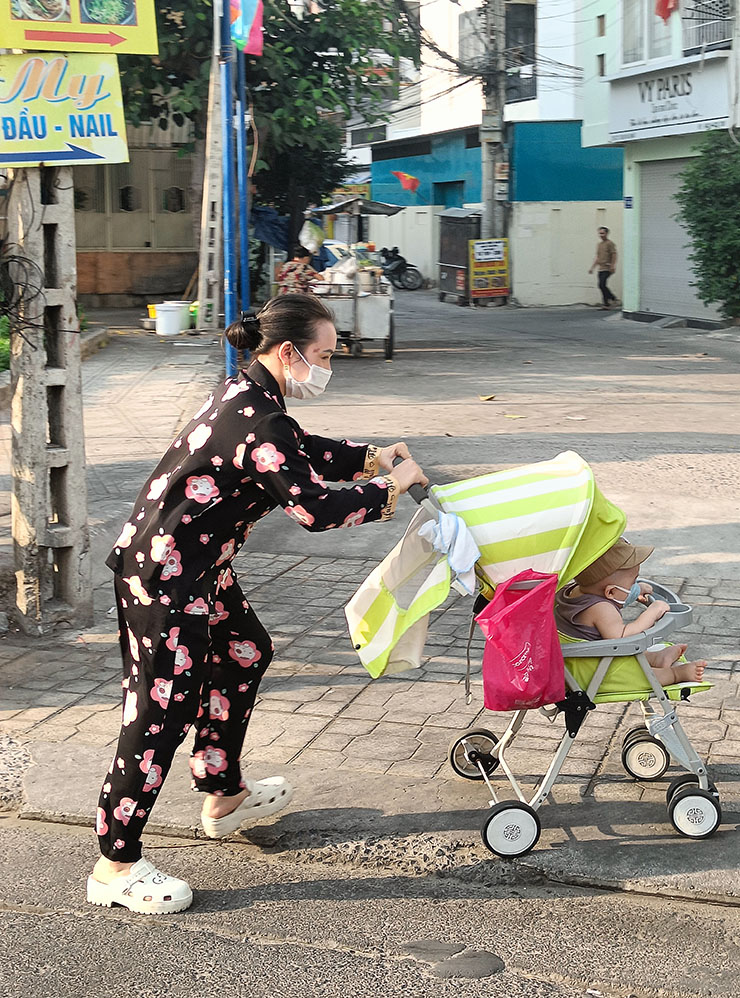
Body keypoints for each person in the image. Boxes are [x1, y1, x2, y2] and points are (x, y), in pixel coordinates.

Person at [87, 293, 428, 915]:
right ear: (290, 352)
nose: (329, 367)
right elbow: (315, 510)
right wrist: (388, 485)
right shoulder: (258, 415)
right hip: (165, 580)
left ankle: (222, 793)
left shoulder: (251, 399)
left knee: (246, 652)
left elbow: (300, 452)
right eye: (324, 355)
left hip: (194, 569)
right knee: (160, 707)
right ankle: (115, 862)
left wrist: (370, 455)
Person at [554, 537, 706, 686]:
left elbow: (611, 596)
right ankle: (677, 673)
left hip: (572, 661)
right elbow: (622, 637)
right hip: (592, 672)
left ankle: (655, 658)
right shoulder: (601, 608)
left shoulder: (571, 590)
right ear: (611, 592)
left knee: (634, 654)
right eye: (633, 582)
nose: (634, 585)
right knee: (645, 675)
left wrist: (636, 590)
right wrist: (653, 611)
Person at [588, 226, 619, 309]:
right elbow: (598, 257)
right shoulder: (599, 245)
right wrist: (592, 267)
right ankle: (606, 304)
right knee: (602, 285)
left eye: (603, 233)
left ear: (606, 233)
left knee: (602, 284)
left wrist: (613, 265)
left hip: (607, 267)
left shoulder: (610, 243)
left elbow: (614, 254)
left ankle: (613, 299)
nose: (601, 235)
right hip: (600, 268)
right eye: (600, 233)